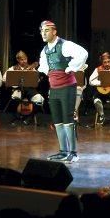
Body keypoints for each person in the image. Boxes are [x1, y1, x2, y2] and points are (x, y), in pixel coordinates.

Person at [38, 20, 88, 162]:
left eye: (46, 30)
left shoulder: (65, 45)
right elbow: (43, 65)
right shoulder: (45, 49)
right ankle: (63, 150)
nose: (43, 33)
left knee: (67, 119)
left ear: (54, 31)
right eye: (42, 30)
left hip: (67, 87)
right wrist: (48, 72)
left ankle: (73, 152)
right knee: (58, 121)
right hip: (54, 89)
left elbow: (83, 53)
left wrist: (71, 67)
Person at [5, 50, 44, 124]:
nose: (24, 61)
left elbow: (37, 81)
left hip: (29, 89)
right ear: (18, 60)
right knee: (14, 97)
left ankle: (30, 118)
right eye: (22, 59)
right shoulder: (12, 68)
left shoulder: (31, 68)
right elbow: (5, 79)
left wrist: (35, 74)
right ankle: (16, 117)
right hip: (18, 89)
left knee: (39, 99)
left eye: (25, 59)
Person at [89, 52, 110, 125]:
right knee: (96, 100)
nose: (107, 64)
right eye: (105, 62)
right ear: (102, 62)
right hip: (101, 91)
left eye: (108, 62)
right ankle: (102, 116)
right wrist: (100, 83)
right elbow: (90, 81)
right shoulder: (98, 69)